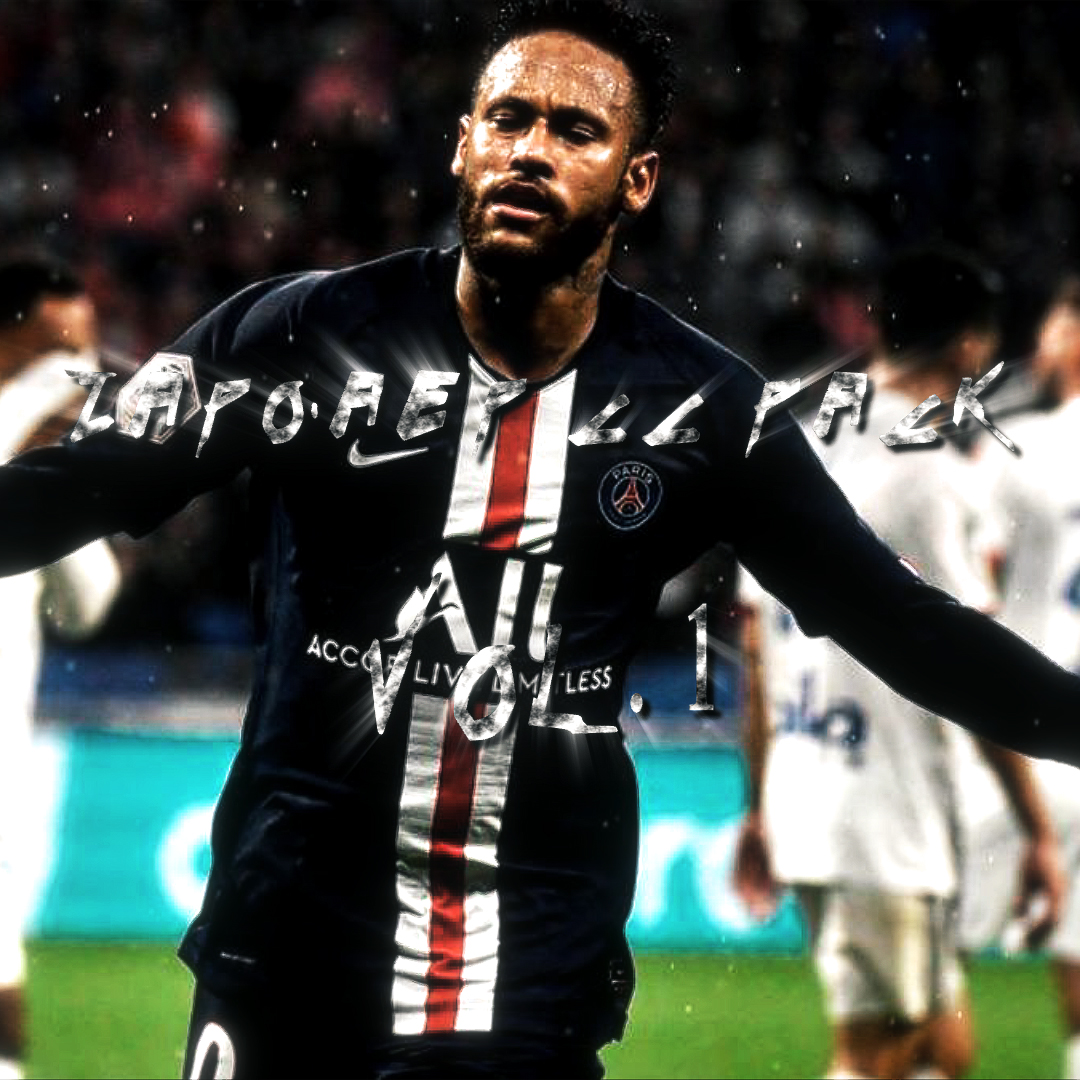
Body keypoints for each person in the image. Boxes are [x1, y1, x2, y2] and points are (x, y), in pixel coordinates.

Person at [0, 4, 1079, 1077]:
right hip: (282, 948)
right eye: (508, 118)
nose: (530, 149)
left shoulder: (702, 412)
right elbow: (75, 486)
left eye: (575, 130)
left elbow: (900, 621)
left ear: (638, 180)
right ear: (462, 144)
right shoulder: (298, 335)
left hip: (520, 973)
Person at [732, 246, 1065, 1080]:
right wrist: (1036, 829)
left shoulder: (797, 440)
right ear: (973, 345)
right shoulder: (933, 474)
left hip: (810, 783)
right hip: (883, 810)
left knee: (944, 1049)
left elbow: (755, 646)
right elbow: (968, 669)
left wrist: (759, 803)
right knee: (879, 1054)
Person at [0, 253, 122, 1080]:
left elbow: (88, 603)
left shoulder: (35, 474)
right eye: (55, 350)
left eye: (83, 350)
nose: (73, 374)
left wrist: (59, 488)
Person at [957, 274, 1080, 1080]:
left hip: (1021, 730)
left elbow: (975, 590)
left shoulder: (1017, 447)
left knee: (929, 951)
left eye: (1055, 325)